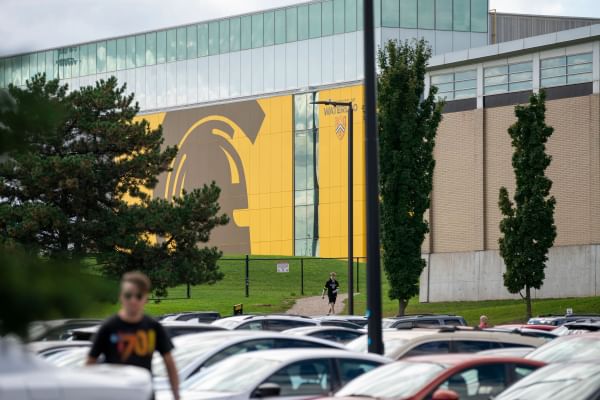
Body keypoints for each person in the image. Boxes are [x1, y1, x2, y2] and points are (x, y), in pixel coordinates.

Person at [86, 271, 179, 400]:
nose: (133, 301)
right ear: (121, 297)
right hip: (115, 394)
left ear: (145, 298)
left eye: (139, 296)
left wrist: (176, 395)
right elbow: (90, 362)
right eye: (128, 295)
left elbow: (169, 362)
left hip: (144, 394)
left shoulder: (153, 327)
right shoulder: (109, 327)